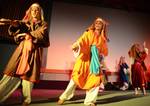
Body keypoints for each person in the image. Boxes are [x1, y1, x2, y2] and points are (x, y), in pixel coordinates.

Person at [0, 3, 50, 106]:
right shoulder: (27, 22)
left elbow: (41, 35)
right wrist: (11, 22)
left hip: (33, 52)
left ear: (40, 12)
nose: (34, 12)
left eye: (36, 10)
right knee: (10, 73)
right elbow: (20, 24)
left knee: (28, 77)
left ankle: (26, 100)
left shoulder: (43, 24)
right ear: (30, 12)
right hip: (21, 52)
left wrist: (28, 35)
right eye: (32, 10)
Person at [57, 17, 109, 106]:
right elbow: (81, 40)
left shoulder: (103, 38)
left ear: (103, 26)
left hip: (94, 62)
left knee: (95, 81)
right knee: (75, 79)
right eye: (96, 23)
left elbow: (104, 51)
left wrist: (99, 55)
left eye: (100, 23)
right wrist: (76, 45)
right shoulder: (88, 33)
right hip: (84, 60)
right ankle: (63, 97)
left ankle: (89, 101)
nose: (97, 24)